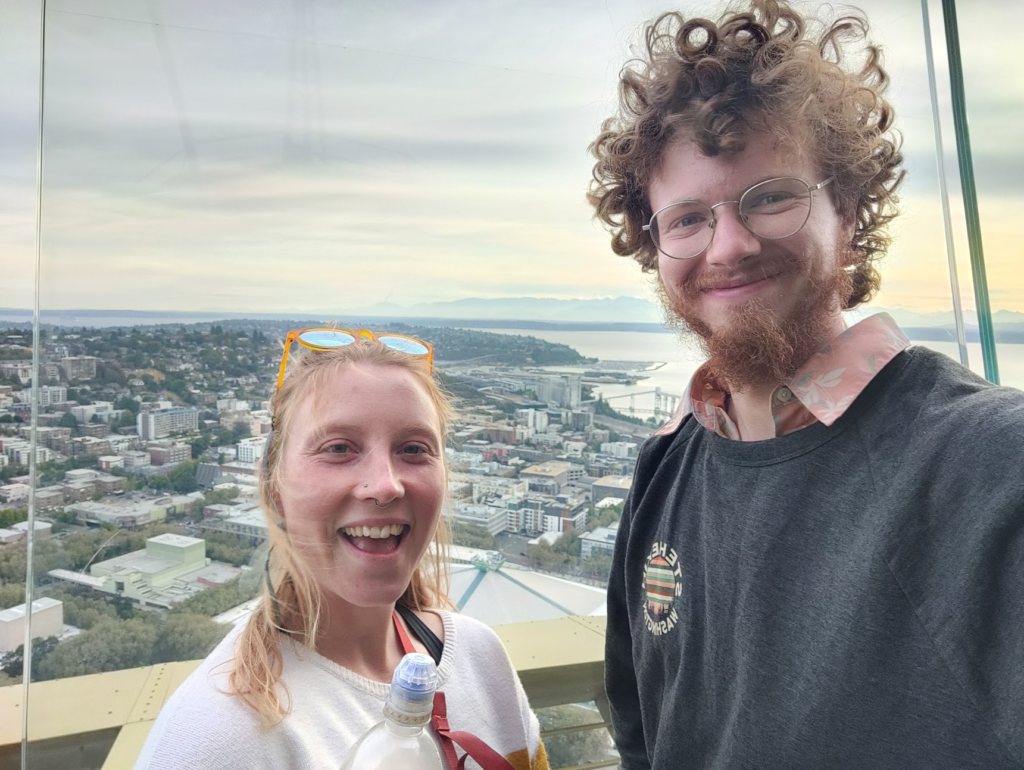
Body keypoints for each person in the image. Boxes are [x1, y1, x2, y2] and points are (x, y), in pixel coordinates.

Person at [587, 2, 1024, 768]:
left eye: (771, 198)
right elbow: (643, 735)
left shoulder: (991, 462)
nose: (729, 244)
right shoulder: (665, 471)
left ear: (848, 214)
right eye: (687, 219)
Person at [136, 330, 549, 770]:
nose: (386, 484)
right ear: (274, 486)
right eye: (338, 448)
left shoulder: (480, 657)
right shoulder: (217, 734)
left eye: (414, 449)